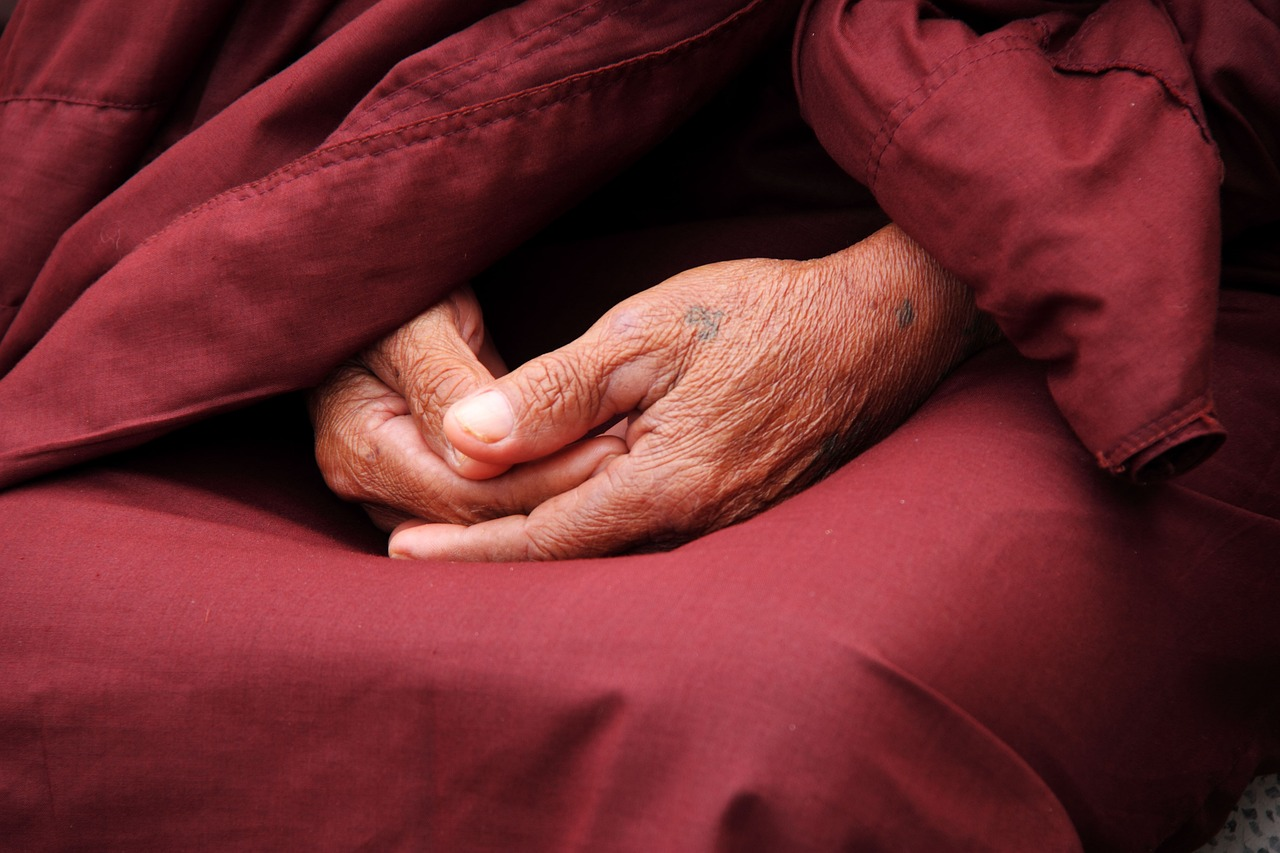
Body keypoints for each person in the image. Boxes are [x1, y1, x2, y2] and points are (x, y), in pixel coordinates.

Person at [1, 0, 1276, 850]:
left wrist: (901, 303)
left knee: (770, 730)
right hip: (433, 154)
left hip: (1090, 237)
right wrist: (330, 258)